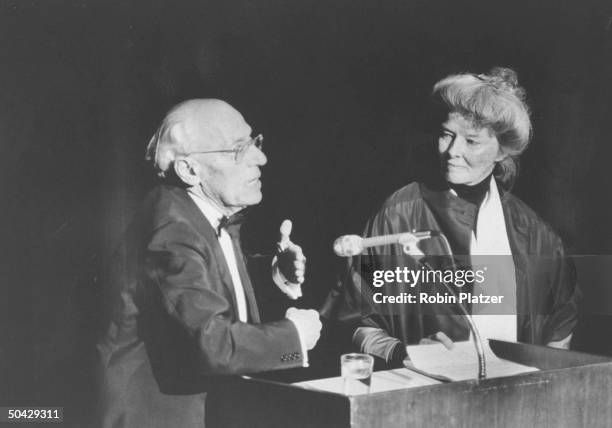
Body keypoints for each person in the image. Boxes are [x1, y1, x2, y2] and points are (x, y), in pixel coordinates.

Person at [323, 67, 580, 367]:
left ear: (502, 151)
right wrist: (407, 353)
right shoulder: (400, 214)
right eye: (447, 135)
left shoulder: (534, 234)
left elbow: (561, 325)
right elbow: (354, 321)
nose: (452, 151)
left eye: (472, 141)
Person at [96, 99, 322, 428]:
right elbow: (211, 344)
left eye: (254, 142)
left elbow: (197, 287)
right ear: (190, 170)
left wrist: (270, 273)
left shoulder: (188, 212)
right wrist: (294, 338)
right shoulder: (173, 231)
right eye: (237, 149)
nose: (261, 158)